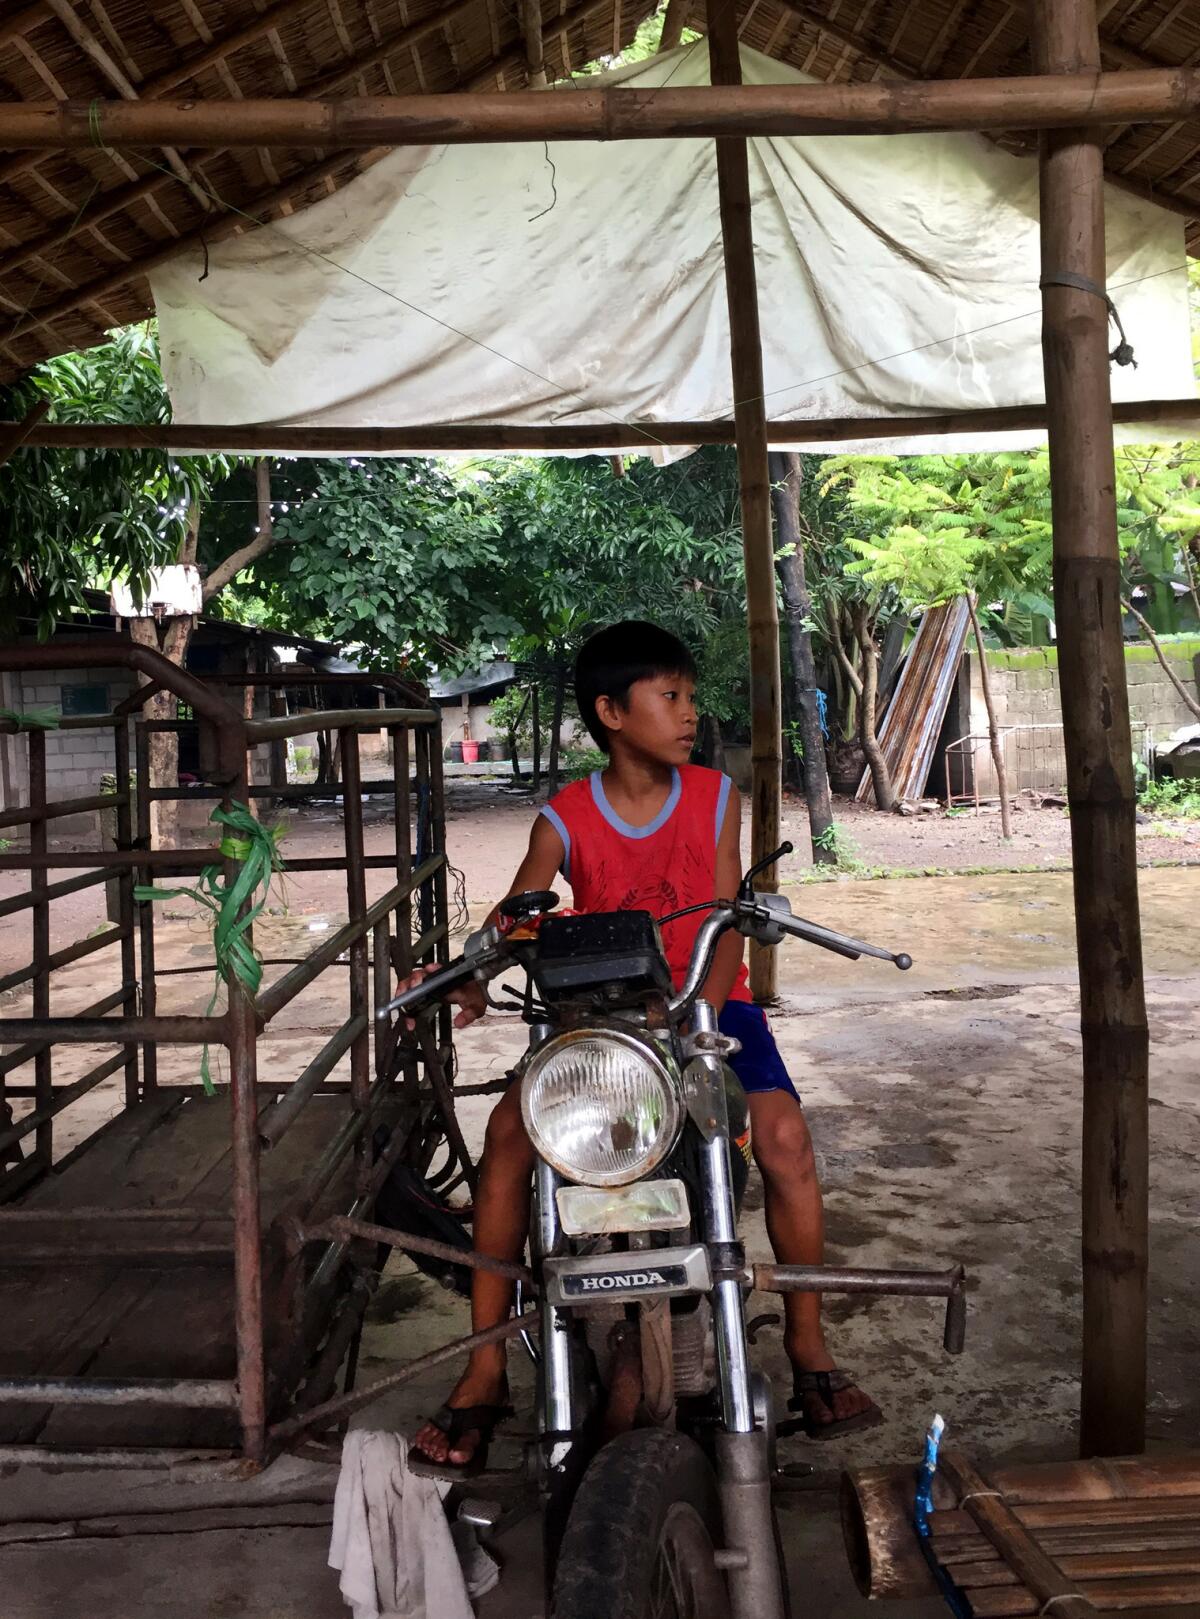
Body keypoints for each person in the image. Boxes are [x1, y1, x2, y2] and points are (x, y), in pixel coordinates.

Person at [409, 621, 881, 1468]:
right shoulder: (566, 815)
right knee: (508, 1140)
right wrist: (474, 969)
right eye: (671, 697)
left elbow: (729, 915)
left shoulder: (713, 796)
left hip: (710, 1011)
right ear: (611, 712)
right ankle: (484, 1369)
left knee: (785, 1141)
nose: (690, 713)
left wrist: (699, 1009)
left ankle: (810, 1344)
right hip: (594, 1026)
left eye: (690, 696)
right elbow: (521, 909)